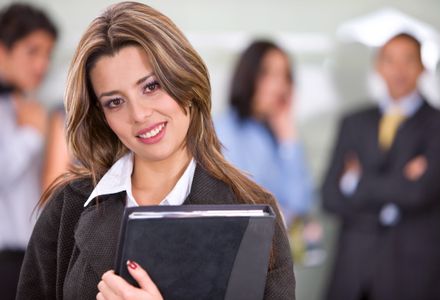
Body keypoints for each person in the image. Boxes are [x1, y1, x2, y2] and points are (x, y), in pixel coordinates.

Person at [16, 2, 295, 299]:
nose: (138, 114)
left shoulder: (253, 210)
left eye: (151, 86)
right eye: (115, 101)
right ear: (102, 116)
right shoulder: (68, 207)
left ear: (185, 81)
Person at [322, 32, 440, 300]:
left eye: (408, 60)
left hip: (416, 272)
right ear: (378, 67)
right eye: (390, 60)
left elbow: (421, 193)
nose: (399, 70)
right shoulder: (353, 122)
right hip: (355, 269)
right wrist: (400, 183)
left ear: (422, 67)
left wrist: (356, 183)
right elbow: (330, 196)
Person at [215, 40, 314, 226]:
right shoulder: (224, 129)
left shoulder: (279, 133)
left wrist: (289, 139)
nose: (280, 86)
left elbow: (301, 203)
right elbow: (244, 204)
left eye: (285, 76)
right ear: (249, 76)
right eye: (269, 74)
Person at [0, 3, 57, 299]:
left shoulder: (29, 107)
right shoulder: (29, 120)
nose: (42, 65)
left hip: (31, 257)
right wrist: (31, 136)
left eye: (48, 54)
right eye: (32, 51)